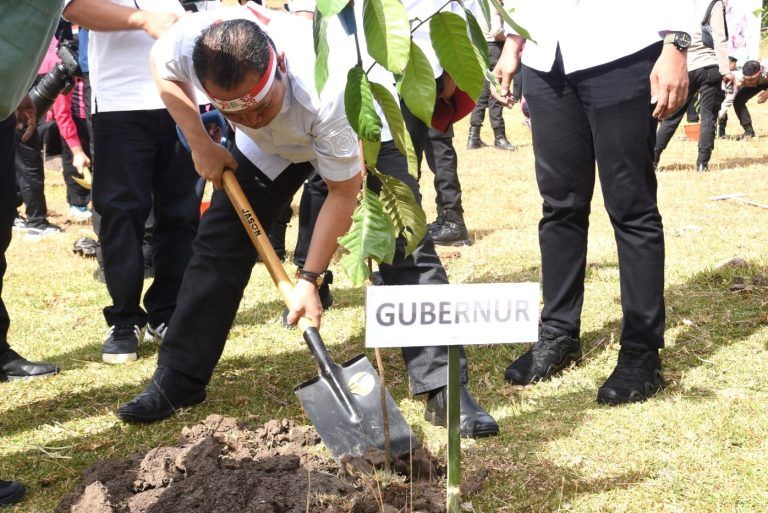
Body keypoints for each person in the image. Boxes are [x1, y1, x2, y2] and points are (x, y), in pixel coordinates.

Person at [117, 3, 499, 438]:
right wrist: (201, 141)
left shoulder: (327, 86)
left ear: (278, 66)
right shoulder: (195, 41)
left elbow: (341, 192)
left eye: (258, 108)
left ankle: (444, 389)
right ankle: (178, 380)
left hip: (354, 127)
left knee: (404, 243)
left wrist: (309, 279)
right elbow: (159, 66)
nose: (249, 119)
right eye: (235, 113)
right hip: (268, 150)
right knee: (218, 245)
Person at [493, 2, 692, 404]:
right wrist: (514, 43)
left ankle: (641, 352)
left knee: (631, 207)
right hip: (547, 59)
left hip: (620, 51)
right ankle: (558, 333)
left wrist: (677, 43)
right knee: (559, 205)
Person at [63, 0, 200, 364]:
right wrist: (141, 20)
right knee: (121, 214)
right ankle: (124, 319)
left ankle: (167, 312)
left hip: (183, 95)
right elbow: (72, 8)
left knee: (182, 212)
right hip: (119, 102)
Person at [654, 0, 731, 173]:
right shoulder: (714, 3)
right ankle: (702, 163)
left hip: (685, 65)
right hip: (709, 65)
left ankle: (653, 157)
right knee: (708, 116)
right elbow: (720, 38)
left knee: (672, 117)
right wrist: (726, 70)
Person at [466, 2, 515, 151]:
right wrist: (510, 37)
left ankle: (473, 137)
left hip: (479, 48)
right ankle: (499, 137)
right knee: (496, 94)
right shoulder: (492, 3)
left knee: (481, 94)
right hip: (494, 49)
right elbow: (496, 31)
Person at [718, 58, 768, 139]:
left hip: (765, 80)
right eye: (746, 79)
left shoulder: (766, 67)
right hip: (758, 83)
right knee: (738, 100)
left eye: (751, 79)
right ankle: (749, 131)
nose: (748, 82)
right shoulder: (739, 78)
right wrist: (721, 113)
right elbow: (729, 99)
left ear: (759, 73)